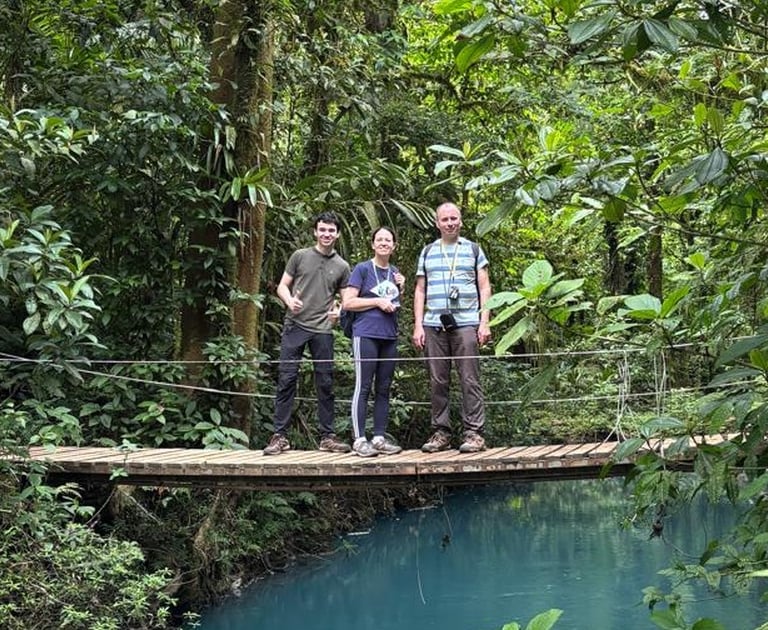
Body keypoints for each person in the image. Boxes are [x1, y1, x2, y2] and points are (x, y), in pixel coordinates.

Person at [263, 212, 352, 455]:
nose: (326, 234)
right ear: (315, 231)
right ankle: (279, 436)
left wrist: (339, 311)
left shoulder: (342, 266)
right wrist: (289, 301)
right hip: (295, 325)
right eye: (322, 229)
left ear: (337, 234)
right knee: (286, 379)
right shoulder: (300, 256)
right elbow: (283, 286)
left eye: (331, 230)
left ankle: (327, 437)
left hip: (322, 329)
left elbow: (346, 299)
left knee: (325, 382)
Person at [412, 202, 492, 453]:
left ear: (461, 221)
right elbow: (420, 290)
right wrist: (418, 325)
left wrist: (485, 321)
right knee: (438, 380)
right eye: (445, 219)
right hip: (434, 324)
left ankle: (474, 433)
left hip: (466, 322)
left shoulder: (473, 250)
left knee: (469, 378)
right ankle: (441, 433)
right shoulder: (427, 251)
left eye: (454, 218)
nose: (450, 223)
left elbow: (484, 287)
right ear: (437, 223)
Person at [342, 227, 405, 457]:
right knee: (363, 385)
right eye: (380, 239)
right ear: (373, 244)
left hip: (389, 335)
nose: (384, 243)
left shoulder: (395, 272)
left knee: (384, 387)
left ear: (394, 246)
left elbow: (395, 304)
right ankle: (359, 440)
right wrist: (376, 302)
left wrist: (402, 287)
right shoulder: (362, 269)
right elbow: (348, 302)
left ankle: (379, 437)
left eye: (388, 240)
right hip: (366, 333)